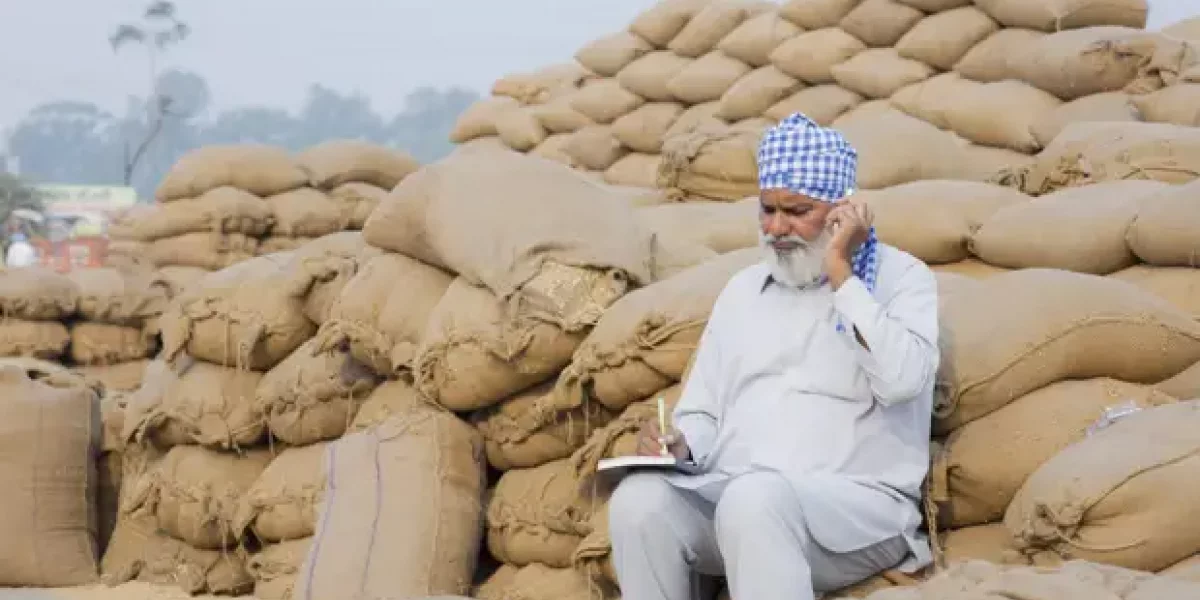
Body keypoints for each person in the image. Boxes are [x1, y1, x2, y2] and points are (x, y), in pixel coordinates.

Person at [608, 113, 940, 600]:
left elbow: (901, 380)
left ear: (840, 212)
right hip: (735, 497)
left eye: (797, 210)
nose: (777, 227)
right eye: (767, 210)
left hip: (858, 509)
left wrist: (841, 276)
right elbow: (702, 408)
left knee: (755, 499)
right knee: (637, 502)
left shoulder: (899, 280)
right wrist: (681, 446)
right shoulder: (742, 291)